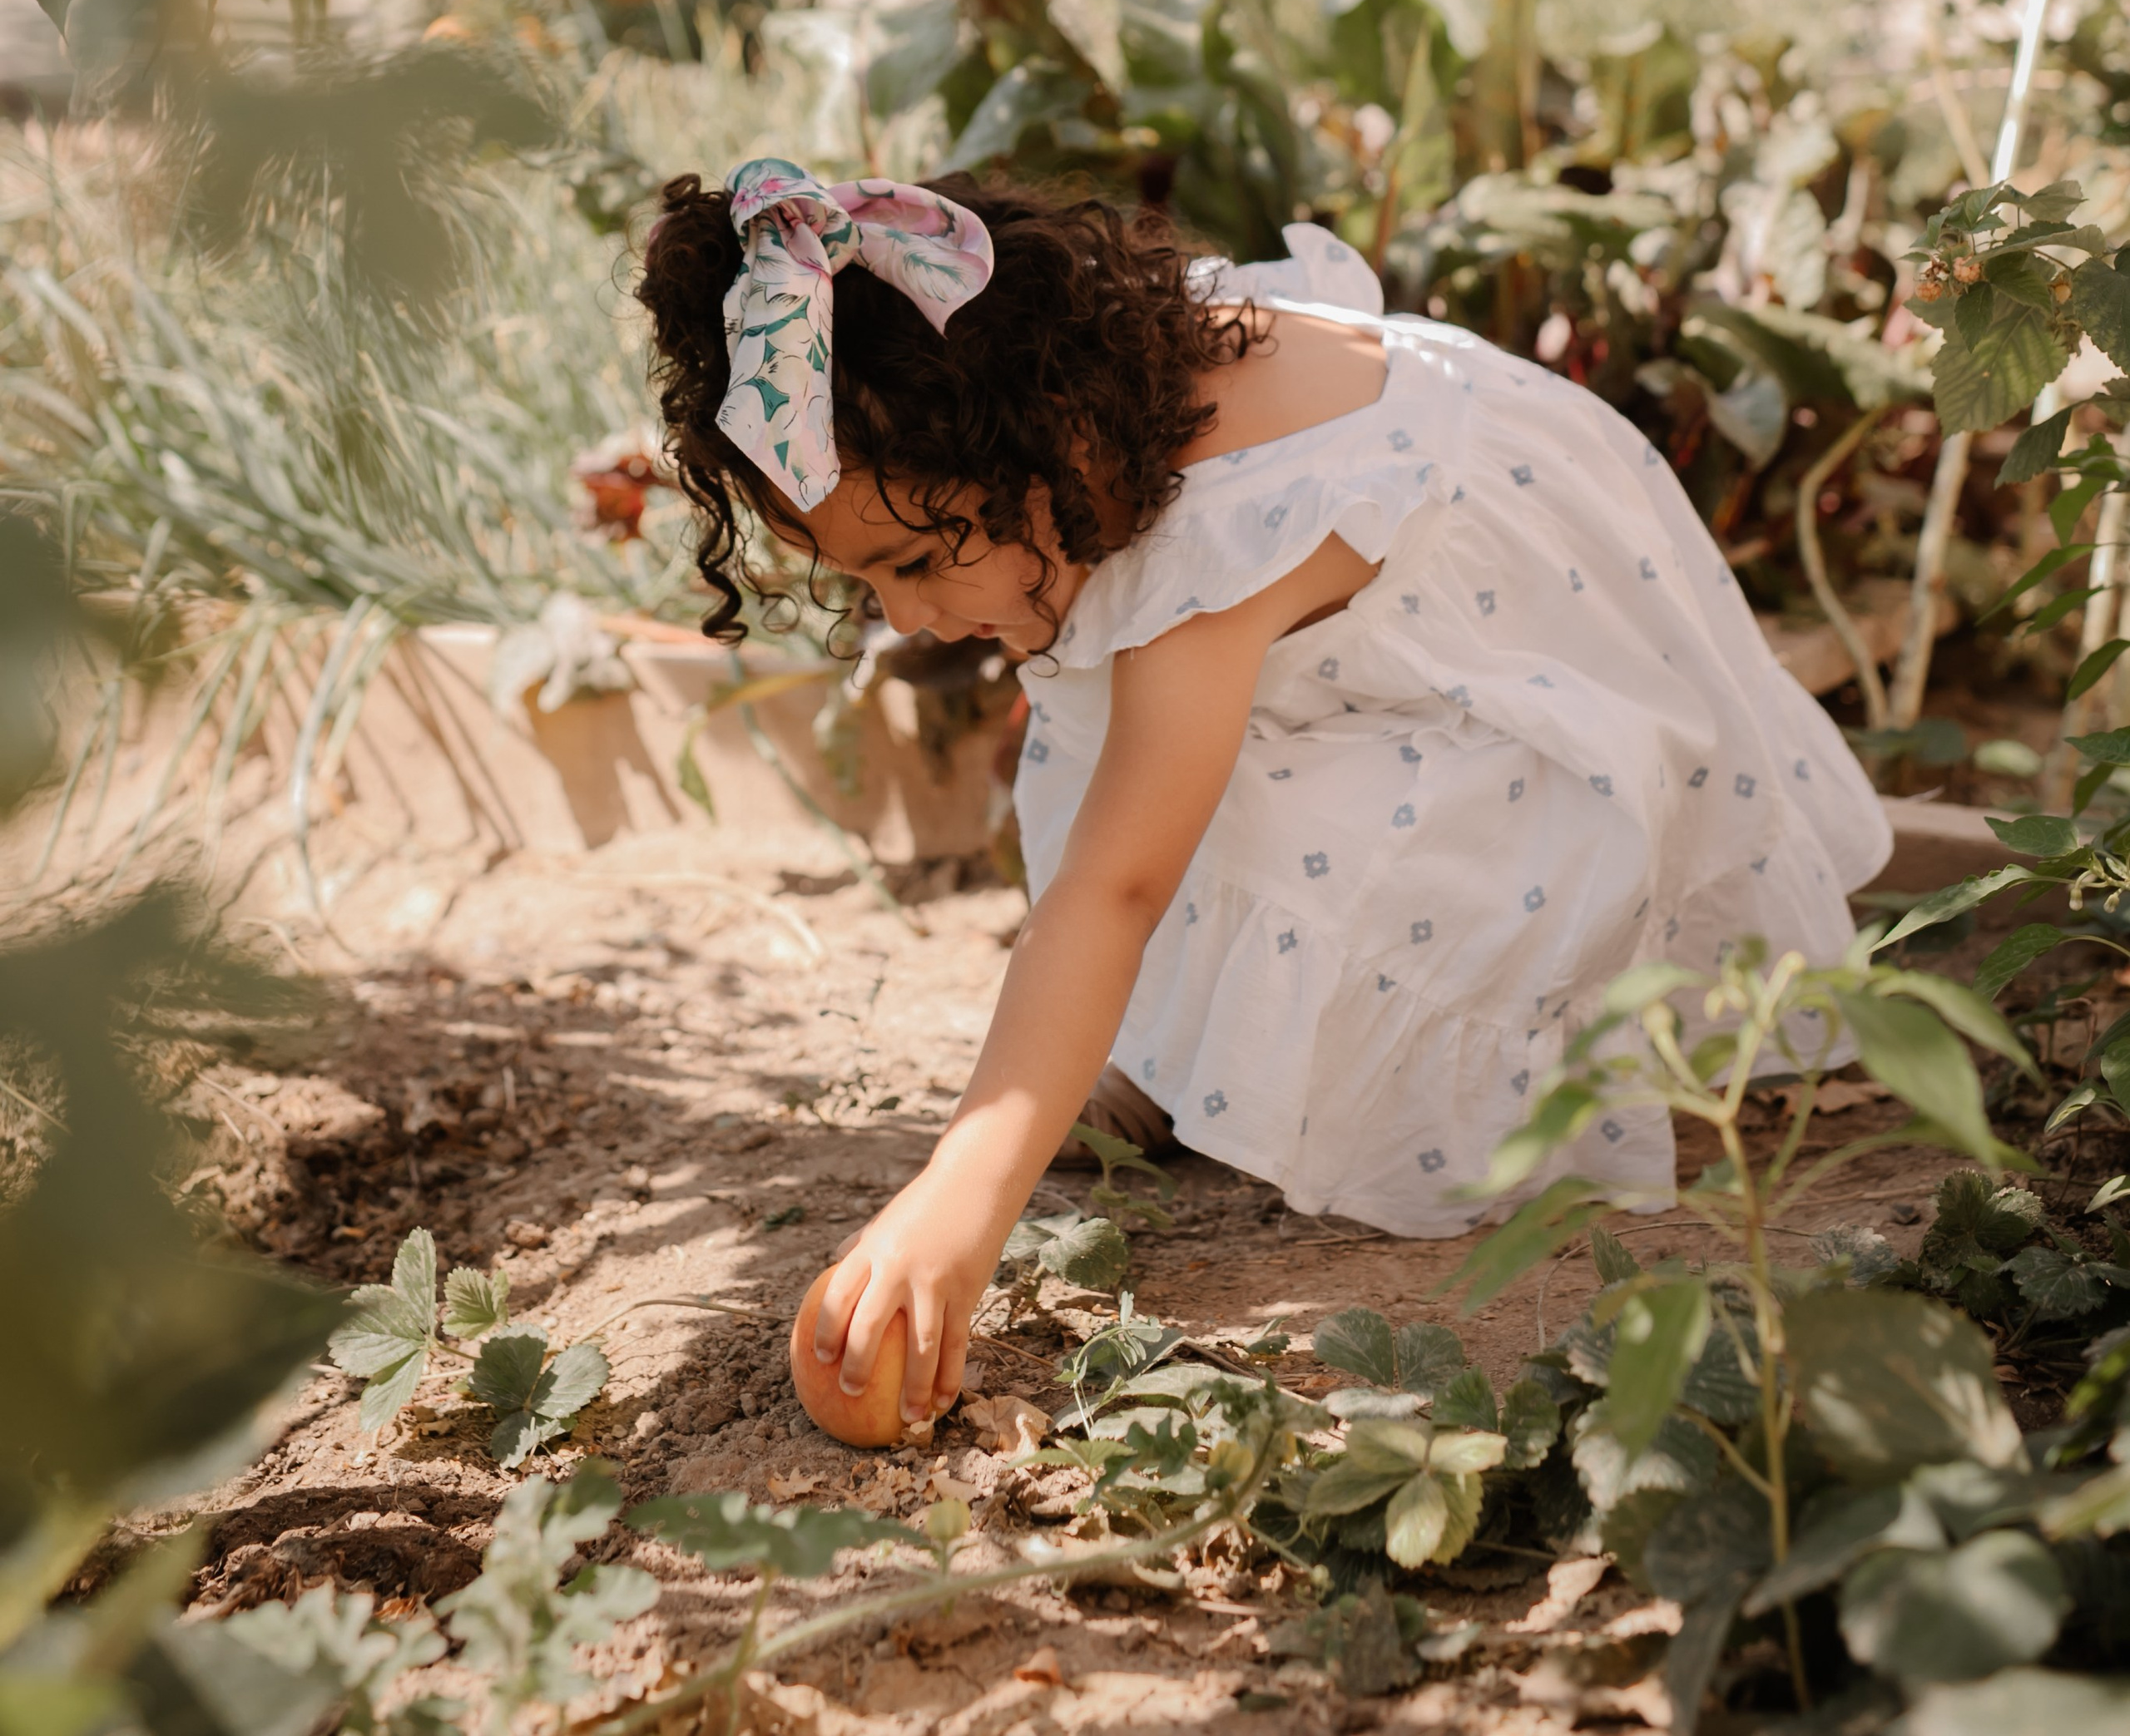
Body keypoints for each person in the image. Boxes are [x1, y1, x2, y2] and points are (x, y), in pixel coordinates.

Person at [639, 156, 1890, 1435]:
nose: (903, 615)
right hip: (1422, 629)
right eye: (869, 585)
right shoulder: (1095, 384)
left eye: (910, 562)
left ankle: (1512, 1059)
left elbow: (1117, 887)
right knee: (1124, 728)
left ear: (1035, 439)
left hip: (1543, 705)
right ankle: (1160, 1051)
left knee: (1190, 808)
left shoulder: (1220, 537)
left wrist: (954, 1208)